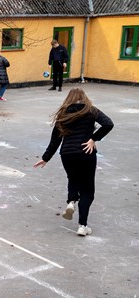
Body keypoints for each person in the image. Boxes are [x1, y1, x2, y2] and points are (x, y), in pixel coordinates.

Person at [34, 88, 113, 236]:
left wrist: (46, 158)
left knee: (73, 179)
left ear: (68, 99)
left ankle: (71, 202)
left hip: (67, 154)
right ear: (84, 97)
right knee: (87, 189)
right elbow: (108, 124)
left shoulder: (63, 114)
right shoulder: (91, 110)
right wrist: (93, 139)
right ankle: (82, 226)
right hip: (86, 152)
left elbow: (55, 140)